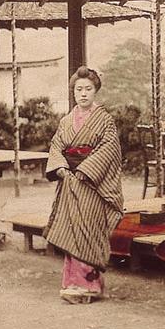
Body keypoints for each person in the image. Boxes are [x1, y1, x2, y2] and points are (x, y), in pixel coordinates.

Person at [43, 66, 124, 305]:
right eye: (79, 89)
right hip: (69, 181)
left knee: (89, 229)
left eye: (88, 89)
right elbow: (56, 146)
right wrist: (60, 167)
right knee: (72, 230)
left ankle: (90, 285)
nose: (83, 93)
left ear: (95, 90)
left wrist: (85, 171)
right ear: (73, 91)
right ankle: (72, 283)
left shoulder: (105, 120)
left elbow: (109, 150)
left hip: (91, 184)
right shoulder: (66, 120)